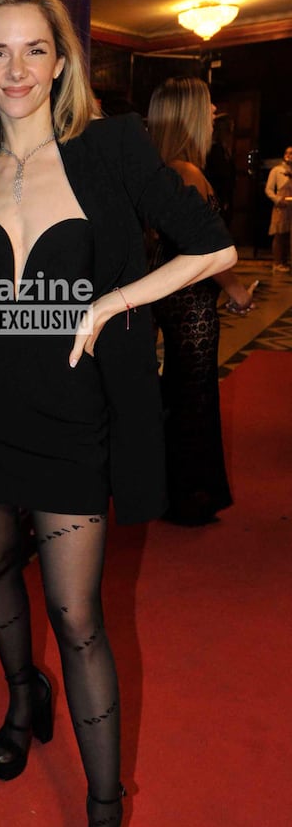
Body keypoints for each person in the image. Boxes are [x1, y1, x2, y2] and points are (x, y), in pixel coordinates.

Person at [0, 0, 236, 827]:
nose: (17, 70)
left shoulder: (108, 152)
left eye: (35, 50)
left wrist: (112, 302)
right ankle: (20, 704)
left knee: (76, 616)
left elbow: (214, 249)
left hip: (73, 426)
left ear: (62, 62)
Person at [147, 77, 255, 526]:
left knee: (182, 392)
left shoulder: (169, 168)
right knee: (193, 396)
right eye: (207, 106)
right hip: (190, 304)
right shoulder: (186, 172)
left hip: (180, 299)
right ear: (188, 115)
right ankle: (188, 497)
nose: (214, 114)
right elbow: (206, 248)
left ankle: (178, 492)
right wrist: (234, 290)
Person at [205, 112, 236, 229]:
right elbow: (220, 176)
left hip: (224, 197)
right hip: (219, 197)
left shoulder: (223, 150)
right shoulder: (215, 151)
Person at [264, 145, 292, 272]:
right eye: (287, 153)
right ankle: (277, 262)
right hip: (281, 205)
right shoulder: (277, 170)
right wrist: (277, 200)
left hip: (290, 206)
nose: (289, 155)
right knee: (279, 234)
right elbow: (268, 189)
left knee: (287, 235)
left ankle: (285, 261)